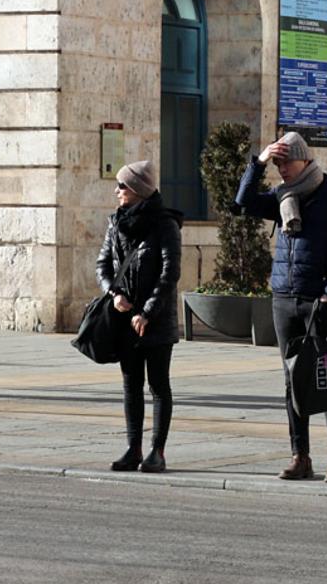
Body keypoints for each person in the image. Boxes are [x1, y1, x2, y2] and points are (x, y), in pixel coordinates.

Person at [235, 132, 327, 483]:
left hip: (319, 300)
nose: (282, 169)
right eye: (277, 164)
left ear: (304, 160)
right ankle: (300, 455)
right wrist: (258, 162)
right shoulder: (281, 197)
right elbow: (242, 202)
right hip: (284, 299)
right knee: (293, 379)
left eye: (285, 162)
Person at [96, 160, 183, 473]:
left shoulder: (165, 225)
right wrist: (115, 295)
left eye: (122, 186)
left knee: (158, 385)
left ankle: (157, 451)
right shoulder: (116, 223)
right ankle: (133, 448)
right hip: (125, 318)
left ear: (137, 190)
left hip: (156, 320)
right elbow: (103, 266)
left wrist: (147, 312)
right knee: (131, 384)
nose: (117, 191)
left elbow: (169, 273)